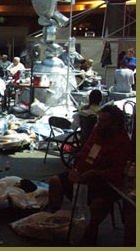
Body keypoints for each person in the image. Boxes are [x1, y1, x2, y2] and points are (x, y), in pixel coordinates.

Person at [47, 105, 130, 246]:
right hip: (83, 175)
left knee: (97, 206)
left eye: (104, 121)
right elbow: (84, 153)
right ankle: (54, 221)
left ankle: (89, 239)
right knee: (55, 182)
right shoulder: (97, 131)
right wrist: (76, 169)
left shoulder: (122, 141)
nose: (100, 124)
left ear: (115, 123)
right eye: (99, 120)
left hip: (105, 183)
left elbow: (117, 172)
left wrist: (93, 173)